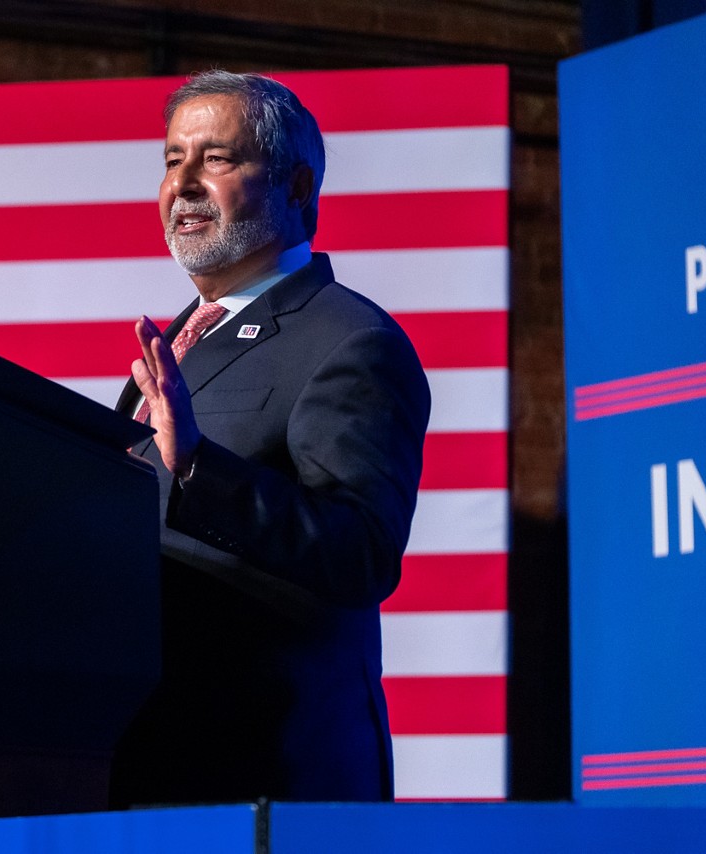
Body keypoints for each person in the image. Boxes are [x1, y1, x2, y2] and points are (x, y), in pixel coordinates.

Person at [109, 70, 431, 805]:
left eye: (217, 159)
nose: (184, 184)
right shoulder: (182, 342)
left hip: (271, 778)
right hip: (149, 765)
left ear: (296, 187)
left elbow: (360, 552)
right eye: (172, 160)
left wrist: (199, 468)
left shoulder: (350, 341)